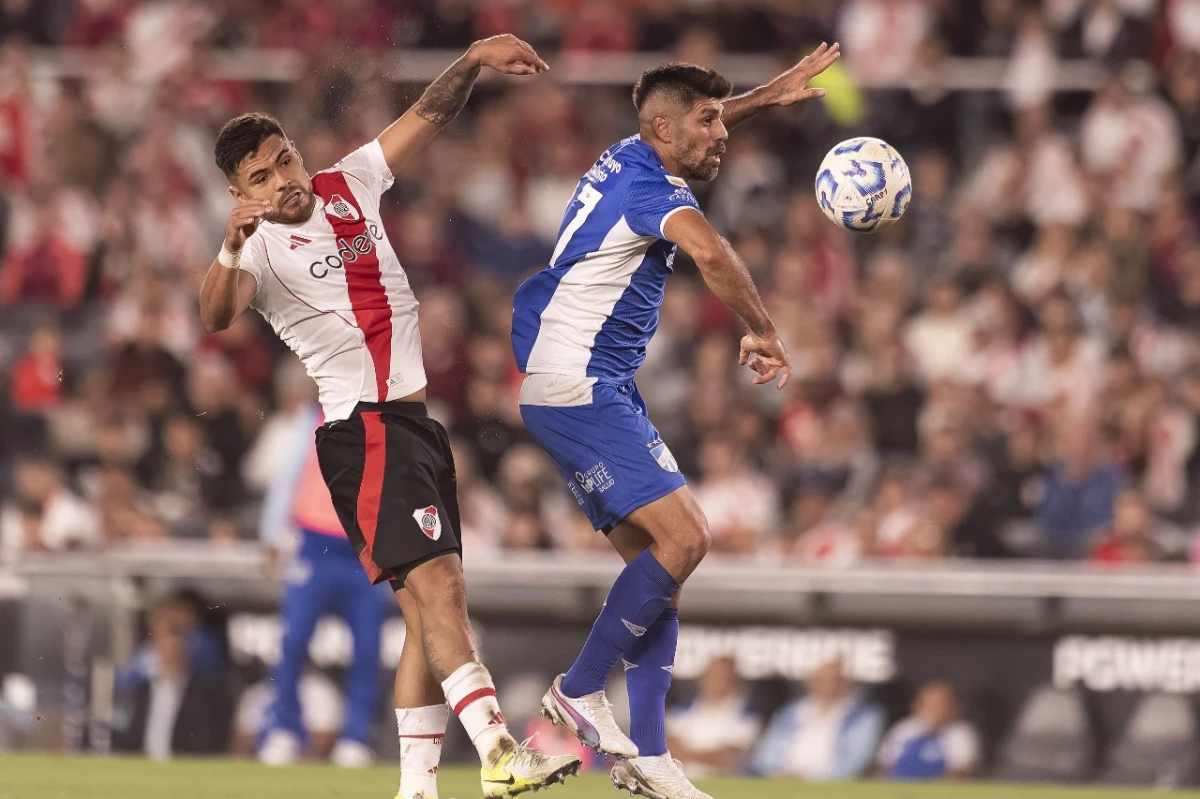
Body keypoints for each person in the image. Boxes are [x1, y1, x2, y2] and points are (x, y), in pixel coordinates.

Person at [198, 34, 580, 799]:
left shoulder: (350, 183)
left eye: (284, 159)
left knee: (428, 609)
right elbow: (214, 316)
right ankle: (499, 749)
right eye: (260, 178)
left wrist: (472, 59)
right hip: (364, 430)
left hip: (414, 426)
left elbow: (425, 114)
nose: (282, 179)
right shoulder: (259, 252)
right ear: (242, 193)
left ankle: (416, 788)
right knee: (438, 589)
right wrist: (229, 249)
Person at [510, 43, 842, 799]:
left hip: (585, 385)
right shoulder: (652, 190)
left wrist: (768, 94)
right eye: (707, 120)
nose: (721, 132)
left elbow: (689, 130)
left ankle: (649, 757)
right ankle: (579, 688)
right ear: (664, 128)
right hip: (579, 383)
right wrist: (762, 327)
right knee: (689, 536)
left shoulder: (631, 150)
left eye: (721, 118)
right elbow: (713, 253)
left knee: (661, 573)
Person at [255, 401, 387, 768]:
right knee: (293, 640)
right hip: (314, 547)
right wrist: (271, 533)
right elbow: (288, 476)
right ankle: (282, 730)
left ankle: (355, 738)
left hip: (365, 550)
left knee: (367, 648)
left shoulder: (384, 422)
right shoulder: (310, 419)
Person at [752, 658, 884, 781]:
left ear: (846, 683)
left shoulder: (863, 716)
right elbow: (766, 753)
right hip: (783, 777)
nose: (827, 685)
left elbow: (856, 761)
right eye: (820, 679)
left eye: (833, 679)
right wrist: (780, 773)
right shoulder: (791, 712)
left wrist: (809, 776)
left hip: (830, 782)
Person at [665, 656, 761, 777]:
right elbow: (664, 747)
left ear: (734, 681)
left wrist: (685, 754)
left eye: (723, 677)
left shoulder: (745, 716)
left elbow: (727, 758)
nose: (716, 682)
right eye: (712, 677)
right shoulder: (682, 710)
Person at [877, 680, 980, 781]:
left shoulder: (961, 733)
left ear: (953, 707)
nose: (934, 709)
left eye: (940, 704)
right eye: (929, 703)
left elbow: (961, 772)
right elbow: (884, 764)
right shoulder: (904, 729)